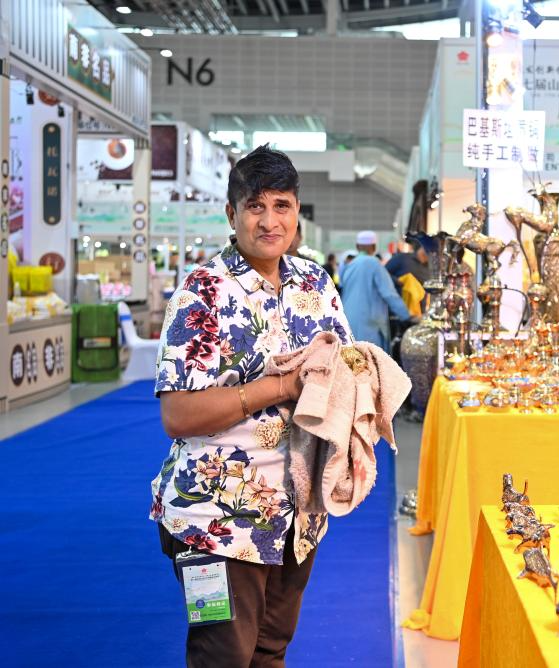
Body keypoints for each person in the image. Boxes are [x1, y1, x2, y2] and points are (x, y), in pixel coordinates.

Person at [150, 145, 353, 666]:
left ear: (297, 211)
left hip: (298, 515)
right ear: (231, 213)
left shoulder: (316, 284)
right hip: (216, 519)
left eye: (281, 205)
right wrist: (280, 387)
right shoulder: (202, 292)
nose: (269, 221)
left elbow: (345, 372)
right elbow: (178, 415)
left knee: (270, 651)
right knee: (221, 657)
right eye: (255, 206)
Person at [340, 230, 414, 353]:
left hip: (347, 323)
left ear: (357, 247)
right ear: (374, 247)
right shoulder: (374, 263)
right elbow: (389, 294)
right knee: (370, 360)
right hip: (369, 326)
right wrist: (406, 316)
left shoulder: (349, 266)